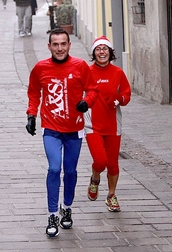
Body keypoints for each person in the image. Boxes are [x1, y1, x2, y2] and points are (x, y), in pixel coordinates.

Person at [25, 28, 98, 237]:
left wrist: (87, 102)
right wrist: (31, 115)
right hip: (51, 129)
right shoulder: (40, 68)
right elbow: (33, 92)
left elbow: (92, 89)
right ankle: (52, 214)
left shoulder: (80, 66)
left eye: (63, 44)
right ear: (49, 47)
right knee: (55, 168)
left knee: (71, 172)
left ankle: (67, 207)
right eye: (55, 44)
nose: (59, 48)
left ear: (69, 45)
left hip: (74, 128)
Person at [85, 36, 131, 212]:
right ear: (94, 53)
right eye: (98, 49)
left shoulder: (118, 73)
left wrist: (118, 99)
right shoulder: (87, 72)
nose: (102, 52)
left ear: (110, 53)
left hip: (113, 125)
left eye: (105, 49)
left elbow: (126, 95)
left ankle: (111, 195)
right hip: (92, 125)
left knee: (112, 164)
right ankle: (95, 177)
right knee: (100, 161)